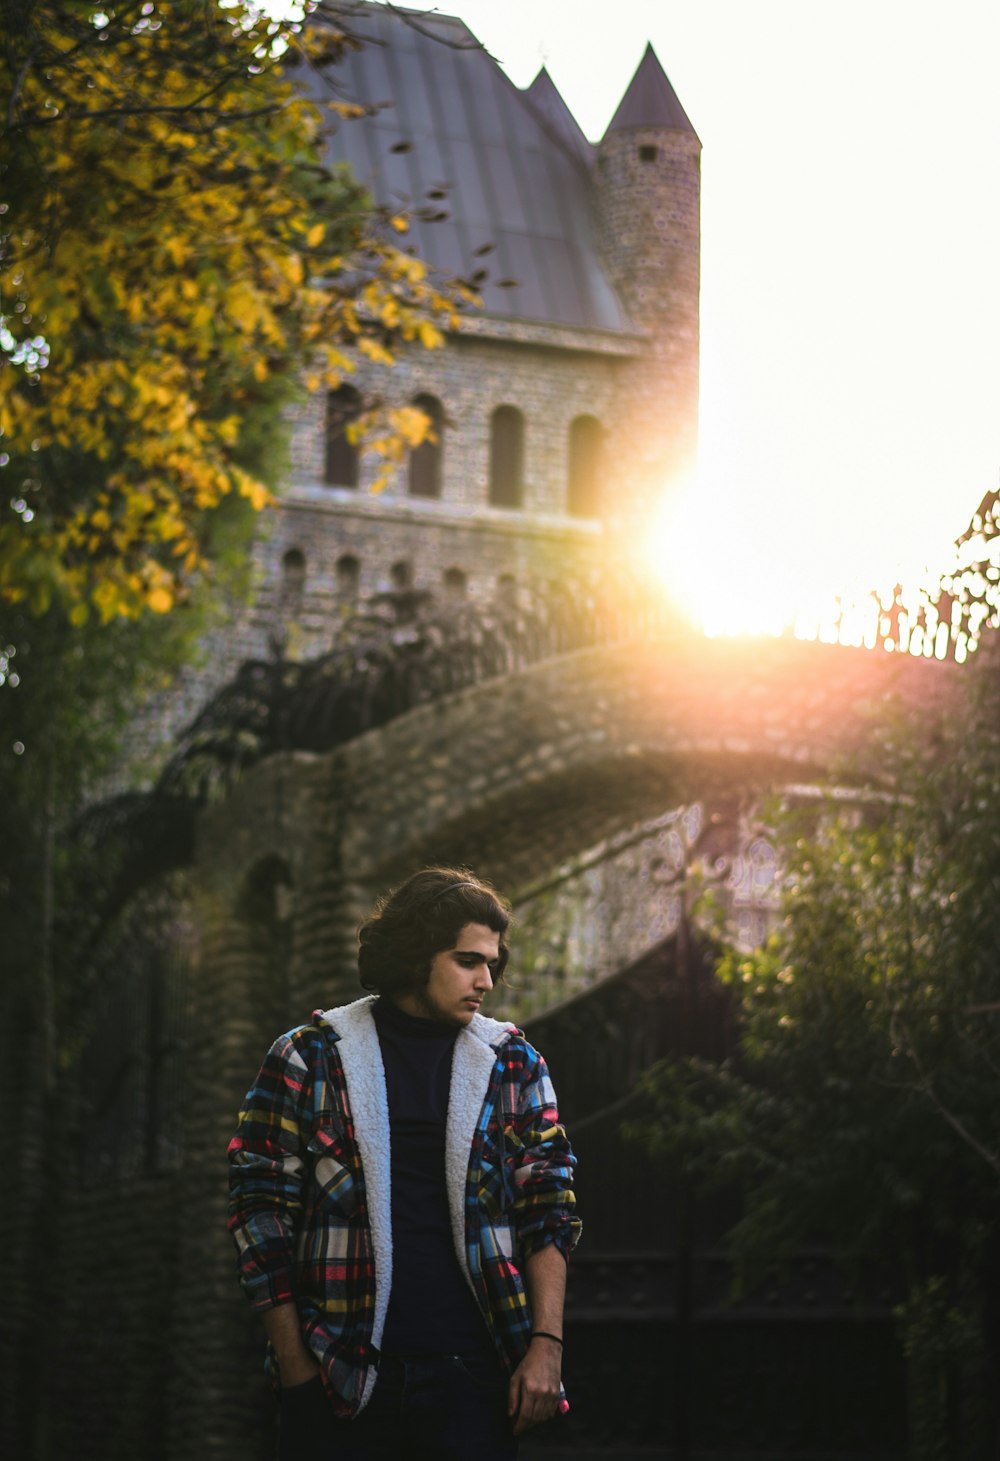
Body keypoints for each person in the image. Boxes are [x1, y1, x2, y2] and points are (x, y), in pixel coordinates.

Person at [227, 867, 581, 1460]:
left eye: (493, 963)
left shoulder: (512, 1063)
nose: (487, 980)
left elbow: (548, 1205)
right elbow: (258, 1214)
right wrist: (294, 1365)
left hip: (476, 1375)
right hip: (341, 1373)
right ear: (418, 955)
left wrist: (547, 1343)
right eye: (469, 960)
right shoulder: (310, 1057)